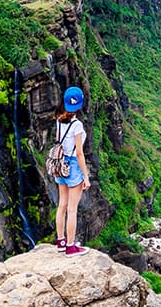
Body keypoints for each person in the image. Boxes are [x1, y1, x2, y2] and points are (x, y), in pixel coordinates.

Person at [54, 86, 91, 257]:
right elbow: (79, 153)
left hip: (60, 166)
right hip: (73, 165)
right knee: (72, 209)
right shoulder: (77, 125)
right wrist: (85, 176)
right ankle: (70, 246)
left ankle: (61, 241)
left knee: (62, 205)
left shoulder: (59, 120)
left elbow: (58, 142)